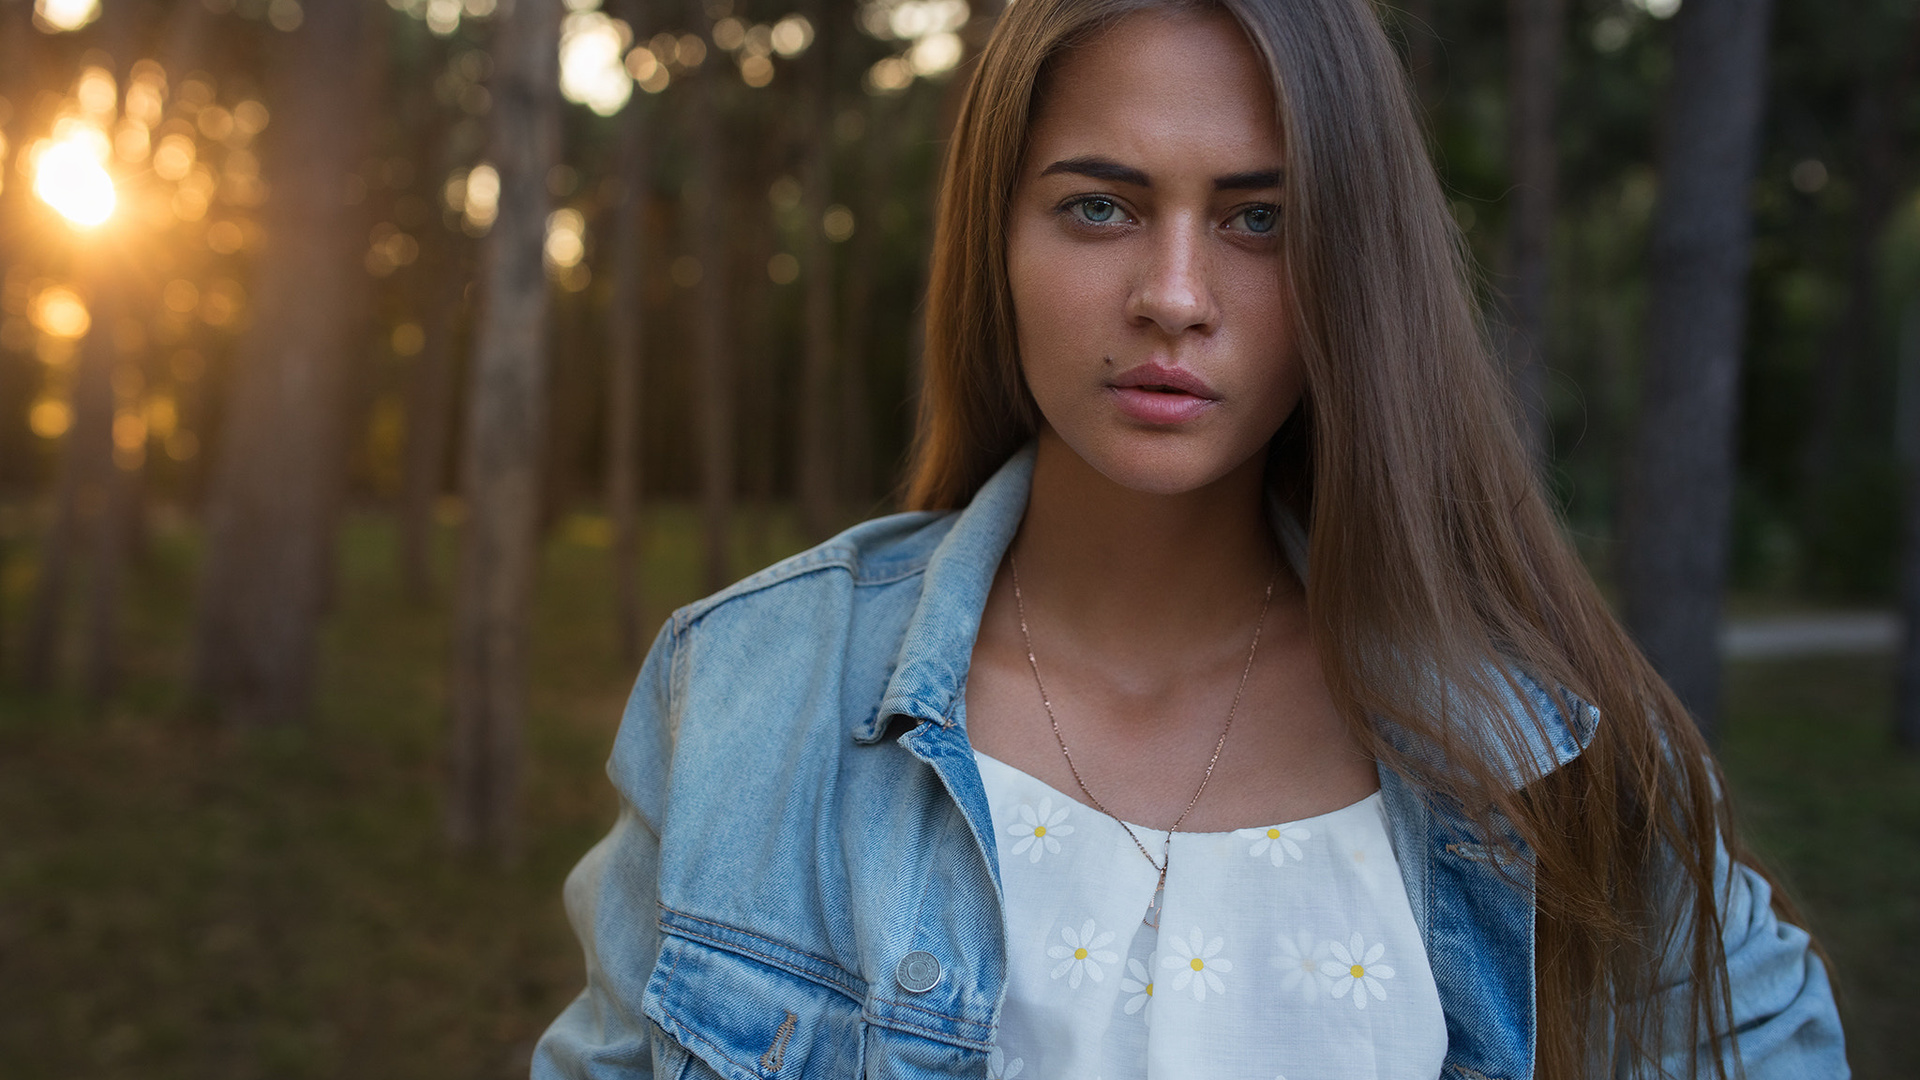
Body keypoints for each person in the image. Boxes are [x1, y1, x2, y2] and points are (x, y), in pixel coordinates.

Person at [533, 0, 1848, 1074]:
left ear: (1355, 264)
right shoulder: (752, 697)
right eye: (1098, 207)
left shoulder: (1534, 750)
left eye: (1257, 220)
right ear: (997, 241)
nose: (1174, 295)